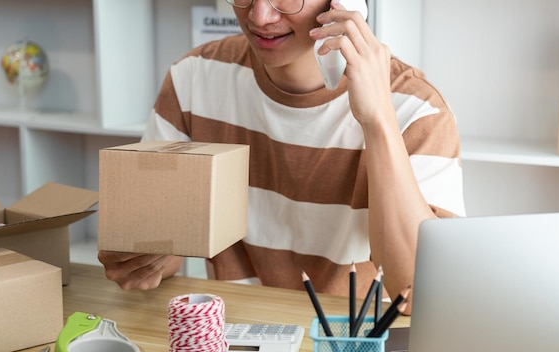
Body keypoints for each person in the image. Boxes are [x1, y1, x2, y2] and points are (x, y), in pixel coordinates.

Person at [97, 0, 466, 315]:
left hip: (352, 351)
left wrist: (378, 120)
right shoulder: (194, 77)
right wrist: (144, 257)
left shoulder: (417, 109)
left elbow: (419, 294)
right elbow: (167, 244)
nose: (258, 16)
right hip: (234, 342)